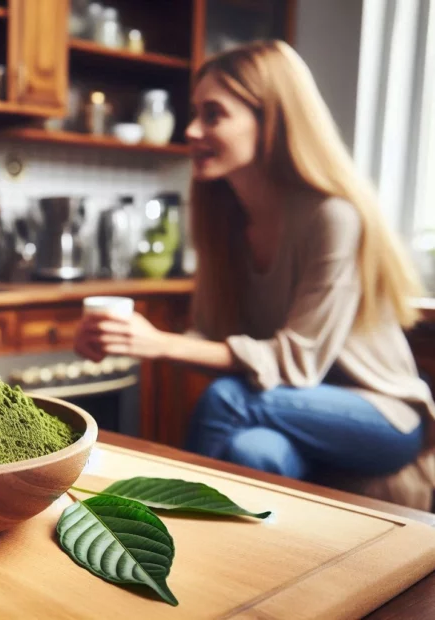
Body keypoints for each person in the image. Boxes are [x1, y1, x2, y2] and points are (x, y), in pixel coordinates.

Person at [74, 40, 435, 498]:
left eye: (213, 114)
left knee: (227, 398)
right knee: (255, 451)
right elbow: (209, 336)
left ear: (272, 120)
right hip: (280, 408)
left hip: (380, 415)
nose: (190, 129)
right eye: (194, 113)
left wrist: (160, 344)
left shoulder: (333, 217)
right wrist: (127, 340)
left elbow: (296, 361)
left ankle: (173, 526)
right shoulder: (223, 221)